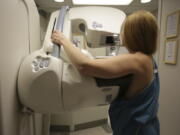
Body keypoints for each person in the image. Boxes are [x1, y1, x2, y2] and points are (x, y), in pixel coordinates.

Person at [52, 10, 160, 135]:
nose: (122, 34)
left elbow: (84, 65)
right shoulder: (149, 60)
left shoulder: (138, 60)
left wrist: (63, 40)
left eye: (124, 30)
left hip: (136, 130)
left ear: (134, 34)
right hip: (143, 128)